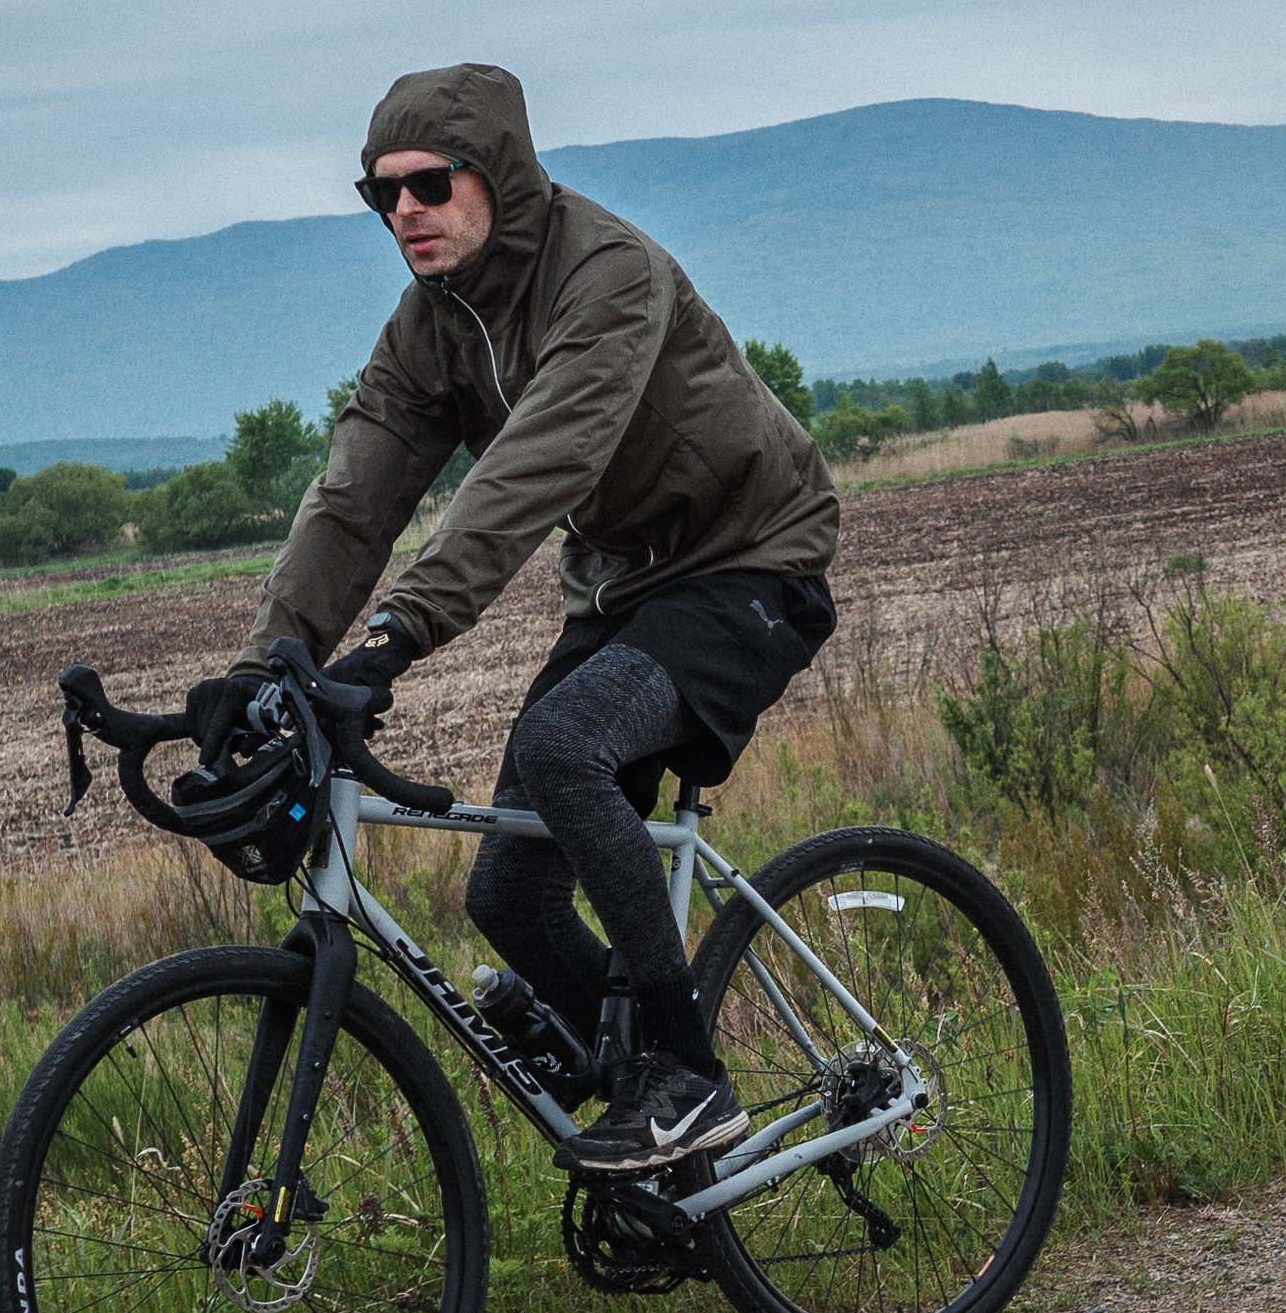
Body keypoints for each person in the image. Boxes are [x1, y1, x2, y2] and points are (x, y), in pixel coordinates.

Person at [187, 62, 837, 1173]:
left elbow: (536, 469)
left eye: (429, 185)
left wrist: (396, 637)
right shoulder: (431, 324)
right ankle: (625, 1074)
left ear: (496, 176)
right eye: (379, 194)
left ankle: (686, 1077)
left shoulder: (609, 275)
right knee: (510, 892)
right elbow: (355, 497)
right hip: (623, 584)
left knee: (561, 743)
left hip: (749, 559)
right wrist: (265, 667)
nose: (403, 212)